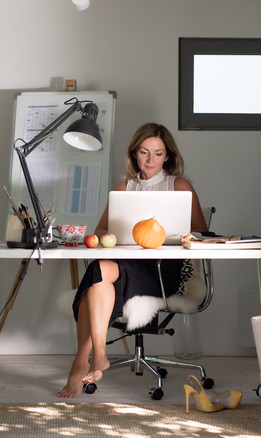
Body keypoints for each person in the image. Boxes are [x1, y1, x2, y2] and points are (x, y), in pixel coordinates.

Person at [57, 122, 208, 398]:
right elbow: (100, 230)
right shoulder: (124, 187)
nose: (150, 160)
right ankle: (98, 355)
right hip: (128, 263)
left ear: (168, 156)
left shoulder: (179, 185)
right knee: (99, 269)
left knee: (97, 280)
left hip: (163, 272)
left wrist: (186, 235)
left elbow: (202, 230)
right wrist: (119, 235)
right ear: (134, 154)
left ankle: (81, 362)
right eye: (144, 152)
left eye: (158, 153)